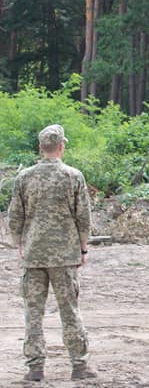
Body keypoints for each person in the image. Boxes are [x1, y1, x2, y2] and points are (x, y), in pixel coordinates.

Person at [7, 124, 96, 381]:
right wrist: (83, 247)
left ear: (40, 147)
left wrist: (20, 244)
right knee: (69, 309)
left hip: (34, 254)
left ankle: (35, 368)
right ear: (61, 146)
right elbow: (84, 217)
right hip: (65, 255)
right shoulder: (73, 176)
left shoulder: (24, 178)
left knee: (33, 312)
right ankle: (79, 365)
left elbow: (15, 217)